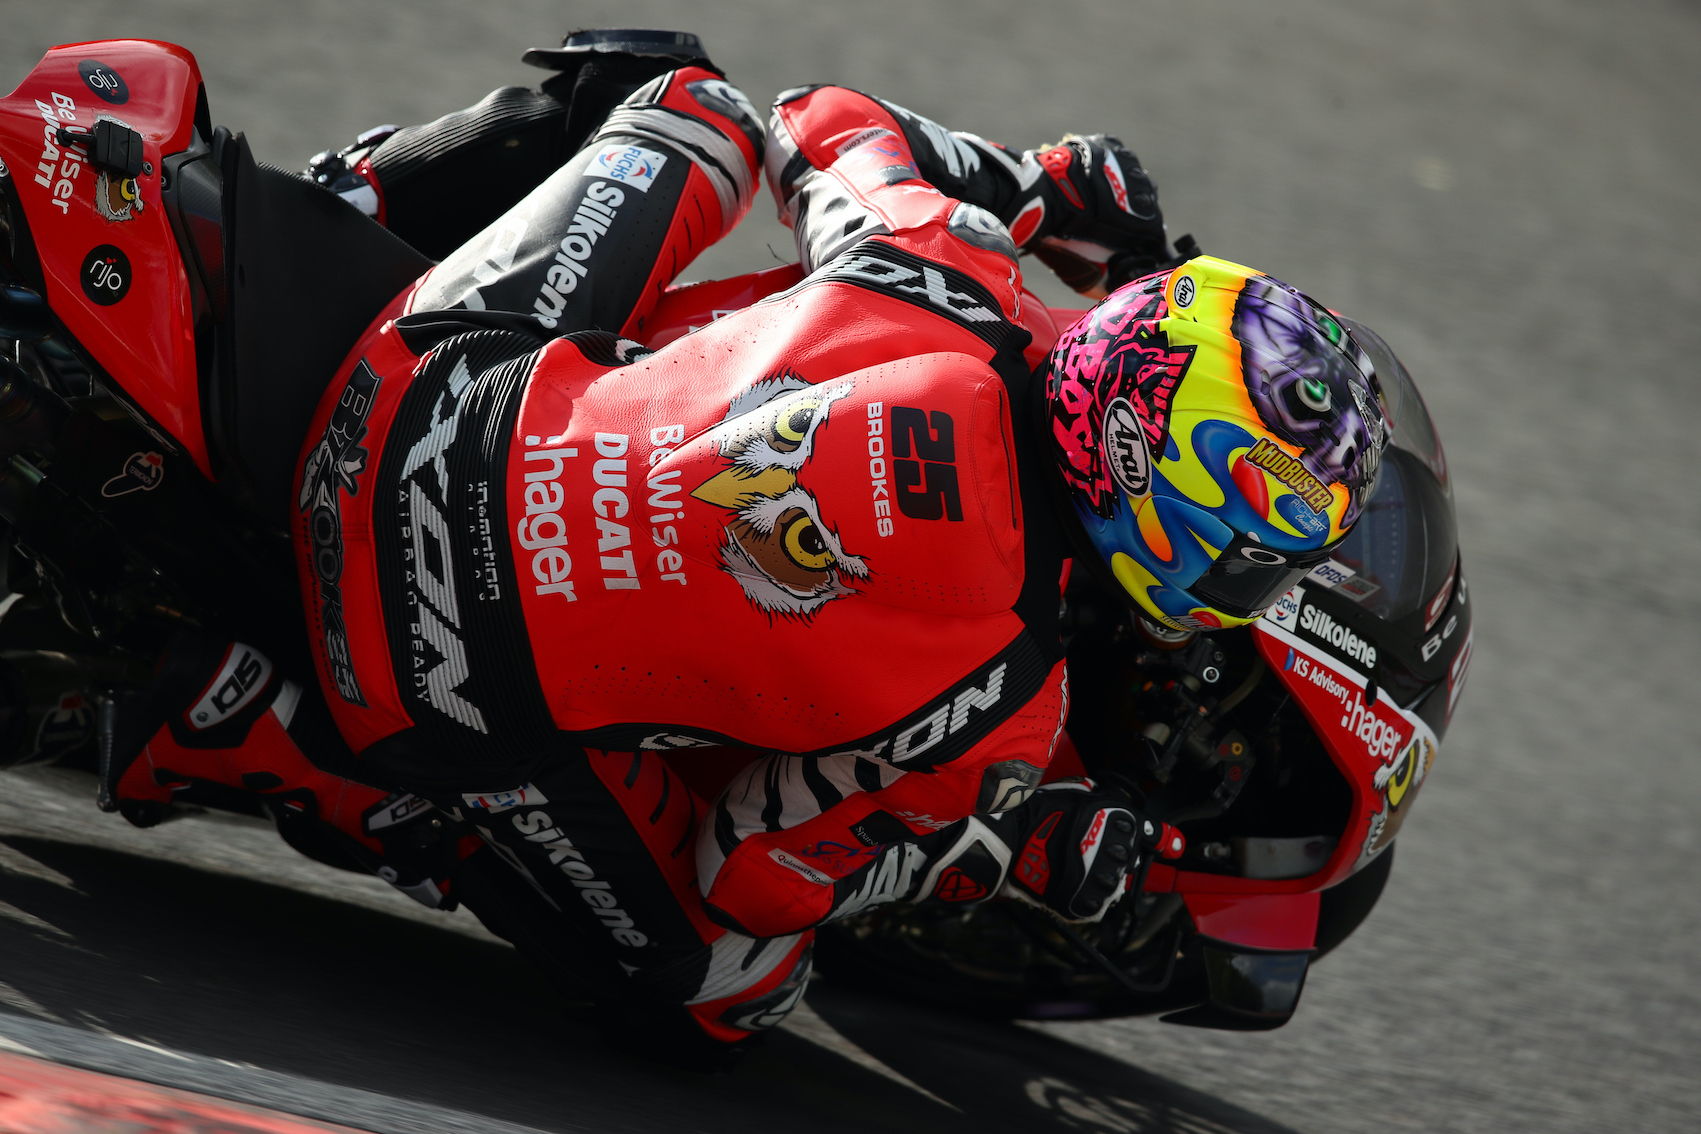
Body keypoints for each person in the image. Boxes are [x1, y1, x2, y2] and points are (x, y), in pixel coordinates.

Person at [107, 29, 1385, 1068]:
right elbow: (758, 869)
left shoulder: (949, 267)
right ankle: (253, 727)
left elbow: (819, 116)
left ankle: (349, 199)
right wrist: (1017, 841)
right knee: (734, 982)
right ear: (1174, 516)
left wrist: (1035, 183)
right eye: (1255, 558)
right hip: (422, 676)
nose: (1249, 591)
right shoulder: (998, 715)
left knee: (694, 105)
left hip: (418, 384)